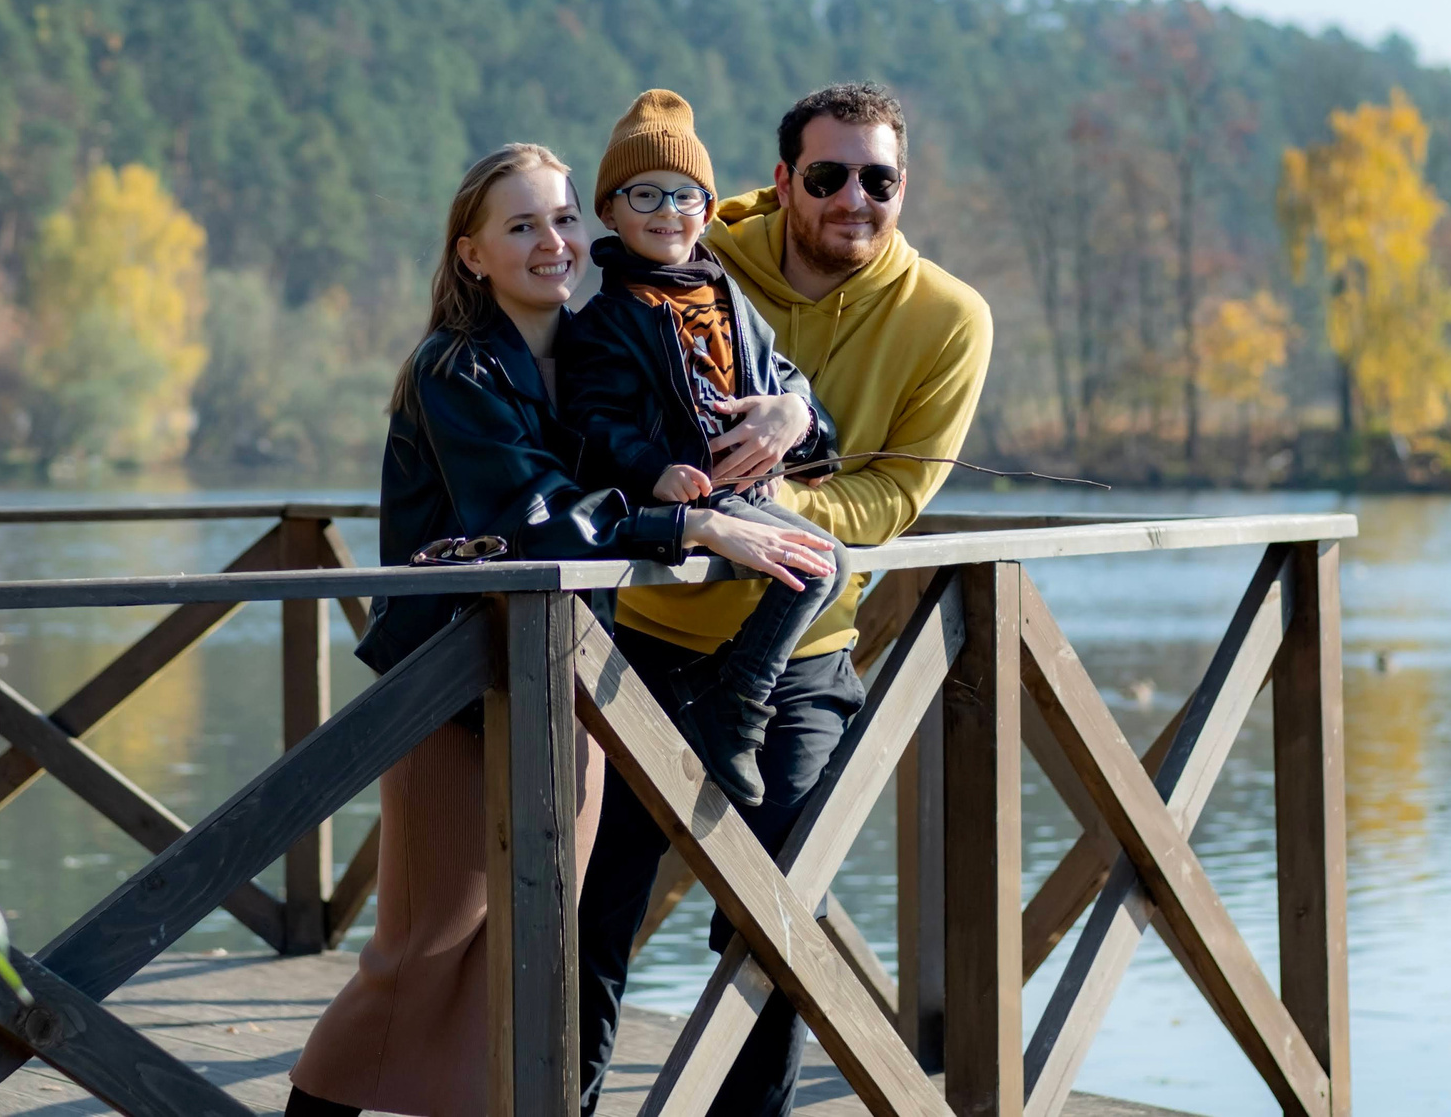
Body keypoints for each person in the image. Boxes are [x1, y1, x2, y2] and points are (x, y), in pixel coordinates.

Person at [286, 143, 835, 1117]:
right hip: (453, 691)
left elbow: (717, 417)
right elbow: (527, 515)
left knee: (527, 957)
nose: (555, 241)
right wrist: (685, 524)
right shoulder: (456, 367)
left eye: (566, 217)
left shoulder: (594, 346)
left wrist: (790, 409)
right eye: (522, 225)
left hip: (565, 681)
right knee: (420, 954)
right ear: (471, 256)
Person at [577, 82, 994, 1117]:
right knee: (584, 918)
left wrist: (772, 491)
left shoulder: (948, 318)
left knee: (771, 917)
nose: (854, 197)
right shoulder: (692, 244)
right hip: (630, 642)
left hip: (796, 658)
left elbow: (894, 492)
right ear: (780, 182)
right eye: (827, 176)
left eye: (879, 179)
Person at [558, 90, 853, 808]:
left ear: (710, 209)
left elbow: (802, 403)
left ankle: (734, 693)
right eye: (646, 194)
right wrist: (654, 470)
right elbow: (594, 423)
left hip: (747, 495)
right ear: (611, 211)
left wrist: (795, 412)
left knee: (828, 562)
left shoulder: (728, 298)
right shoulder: (607, 318)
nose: (668, 211)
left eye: (687, 194)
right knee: (825, 564)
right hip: (687, 502)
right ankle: (740, 703)